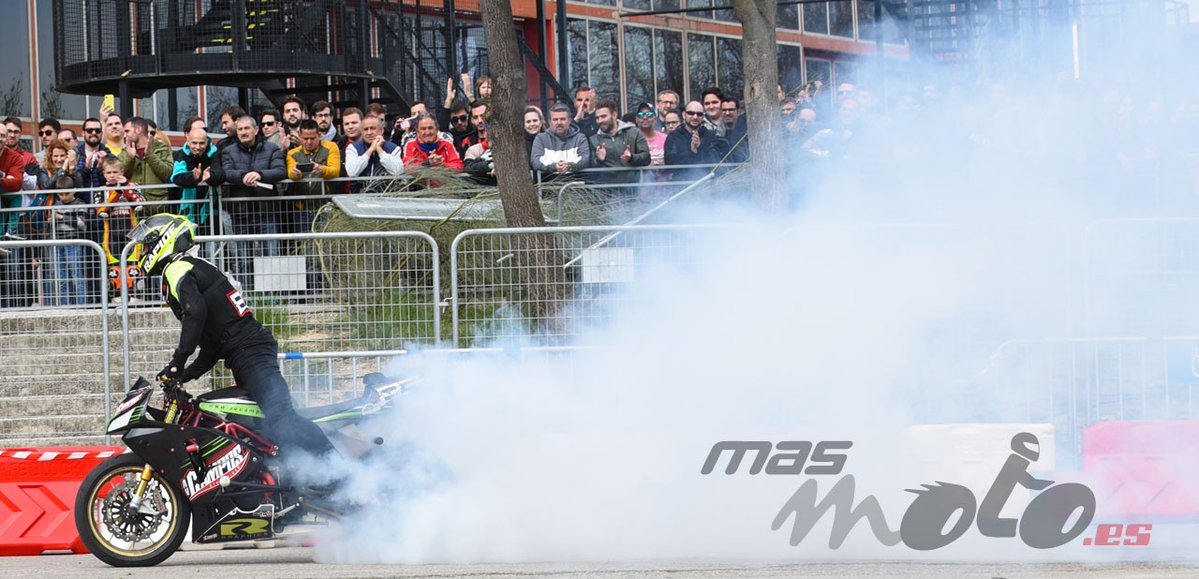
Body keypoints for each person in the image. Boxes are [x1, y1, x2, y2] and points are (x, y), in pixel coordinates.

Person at [132, 214, 336, 464]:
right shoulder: (193, 265)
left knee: (282, 418)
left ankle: (342, 471)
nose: (143, 251)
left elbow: (194, 314)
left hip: (250, 351)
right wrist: (186, 374)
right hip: (244, 352)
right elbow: (213, 341)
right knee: (261, 425)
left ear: (165, 240)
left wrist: (178, 361)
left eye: (148, 245)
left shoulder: (177, 268)